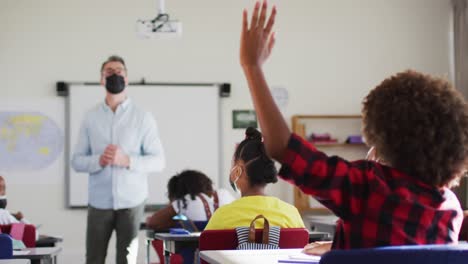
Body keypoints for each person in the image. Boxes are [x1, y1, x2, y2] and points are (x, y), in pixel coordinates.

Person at [239, 0, 468, 254]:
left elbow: (283, 147)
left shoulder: (368, 189)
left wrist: (252, 66)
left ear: (383, 141)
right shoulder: (449, 208)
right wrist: (337, 247)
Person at [71, 55, 165, 264]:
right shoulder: (90, 117)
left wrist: (127, 160)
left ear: (127, 77)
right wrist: (99, 161)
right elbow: (76, 161)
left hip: (132, 202)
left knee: (127, 260)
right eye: (109, 72)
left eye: (119, 71)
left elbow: (158, 161)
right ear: (102, 79)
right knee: (94, 259)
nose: (115, 75)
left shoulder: (143, 117)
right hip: (99, 202)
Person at [205, 127, 305, 230]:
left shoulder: (221, 217)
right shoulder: (290, 214)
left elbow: (205, 244)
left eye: (232, 165)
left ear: (237, 171)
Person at [145, 169, 235, 230]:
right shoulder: (225, 194)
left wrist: (177, 223)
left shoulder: (187, 200)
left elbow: (152, 222)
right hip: (231, 253)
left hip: (199, 255)